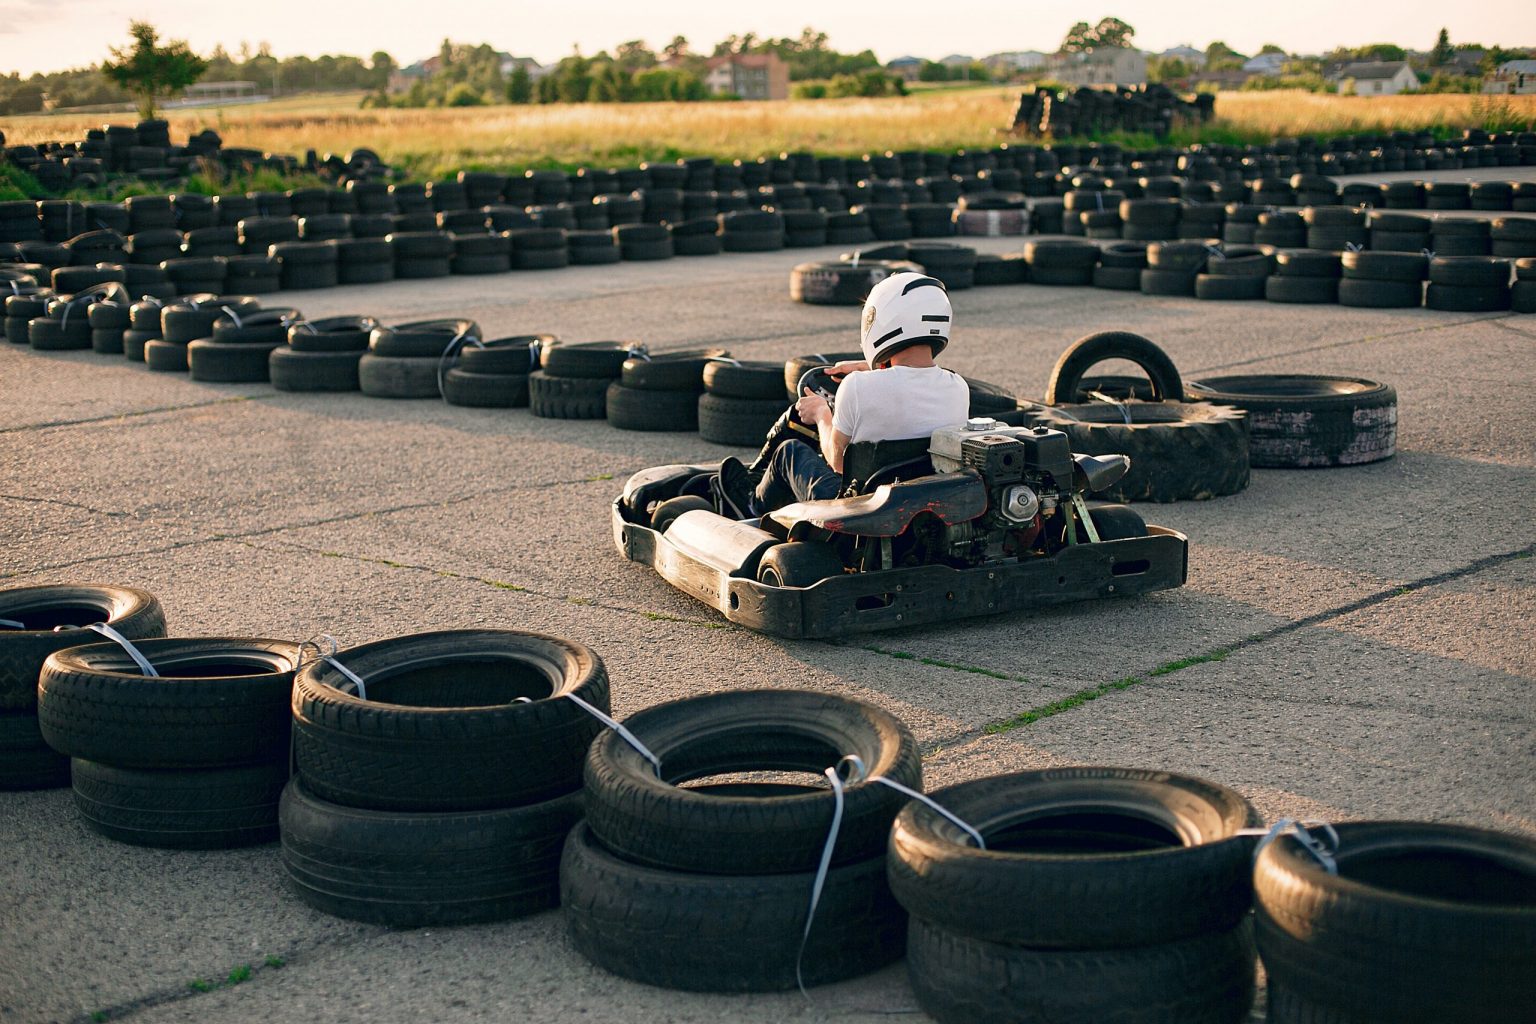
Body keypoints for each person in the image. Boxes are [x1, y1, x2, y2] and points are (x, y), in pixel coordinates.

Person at [717, 271, 970, 517]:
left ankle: (751, 505)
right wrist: (869, 368)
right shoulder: (957, 387)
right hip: (921, 505)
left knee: (789, 451)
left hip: (857, 509)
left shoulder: (858, 387)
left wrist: (821, 414)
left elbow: (837, 462)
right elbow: (910, 385)